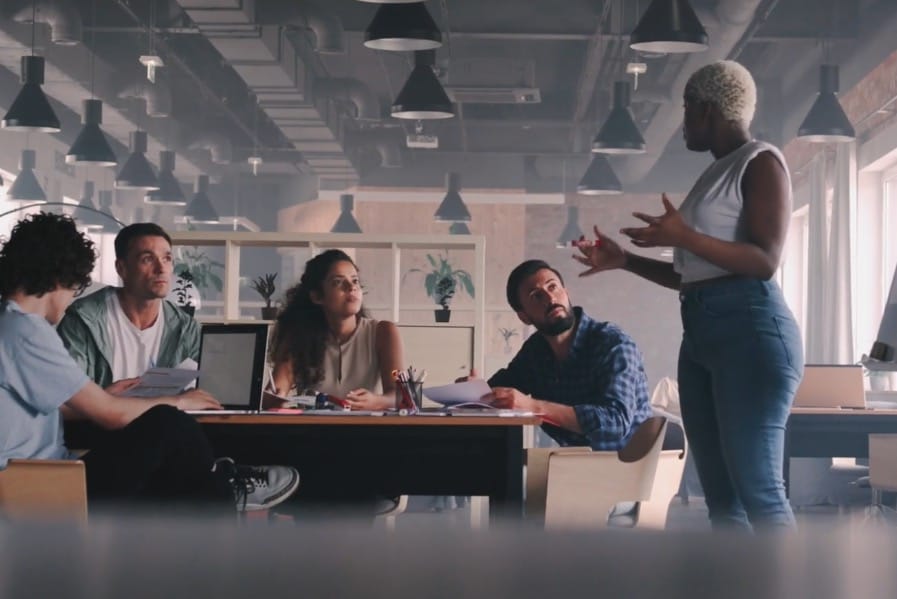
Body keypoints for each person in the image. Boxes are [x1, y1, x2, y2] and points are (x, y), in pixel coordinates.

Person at [573, 60, 802, 531]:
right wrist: (626, 261)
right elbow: (696, 277)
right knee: (720, 500)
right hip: (701, 334)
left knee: (759, 490)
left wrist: (683, 237)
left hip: (750, 332)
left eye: (685, 110)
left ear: (707, 109)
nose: (681, 125)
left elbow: (764, 261)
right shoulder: (716, 173)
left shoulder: (761, 160)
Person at [0, 213, 299, 514]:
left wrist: (106, 395)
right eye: (73, 288)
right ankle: (225, 488)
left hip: (41, 476)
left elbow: (50, 404)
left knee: (174, 490)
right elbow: (111, 417)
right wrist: (178, 400)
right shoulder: (26, 330)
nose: (69, 301)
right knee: (168, 424)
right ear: (58, 277)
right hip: (41, 484)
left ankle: (220, 489)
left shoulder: (11, 325)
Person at [479, 259, 652, 451]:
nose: (550, 299)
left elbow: (616, 422)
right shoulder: (536, 350)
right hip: (576, 465)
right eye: (536, 296)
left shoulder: (612, 344)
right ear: (524, 316)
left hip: (626, 466)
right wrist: (472, 392)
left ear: (566, 292)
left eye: (553, 287)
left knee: (514, 474)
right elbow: (503, 388)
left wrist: (533, 406)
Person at [57, 222, 198, 388]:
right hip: (96, 415)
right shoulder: (84, 319)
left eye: (167, 259)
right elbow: (68, 394)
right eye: (147, 259)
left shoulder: (186, 328)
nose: (161, 269)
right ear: (121, 268)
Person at [270, 249, 403, 411]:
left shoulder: (383, 332)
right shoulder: (297, 336)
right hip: (310, 432)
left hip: (365, 432)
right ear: (317, 296)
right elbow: (276, 392)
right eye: (338, 282)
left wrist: (377, 401)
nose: (351, 287)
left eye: (355, 281)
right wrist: (275, 399)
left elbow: (400, 395)